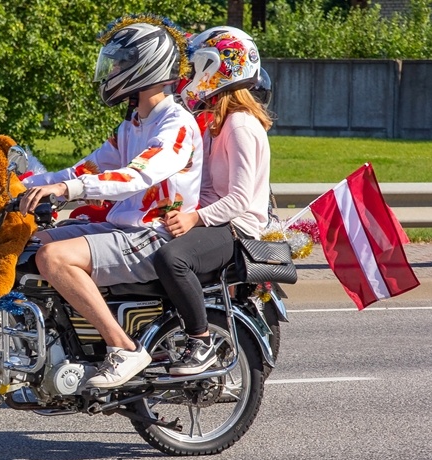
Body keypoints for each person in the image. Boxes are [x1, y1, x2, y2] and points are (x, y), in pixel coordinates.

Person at [19, 16, 203, 388]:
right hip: (122, 229)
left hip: (153, 234)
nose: (112, 71)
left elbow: (137, 176)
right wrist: (20, 184)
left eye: (119, 64)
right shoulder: (133, 124)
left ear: (146, 65)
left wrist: (68, 192)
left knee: (53, 258)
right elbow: (83, 168)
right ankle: (50, 343)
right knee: (28, 244)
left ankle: (123, 348)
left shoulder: (177, 124)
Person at [152, 26, 273, 376]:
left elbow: (238, 199)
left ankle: (200, 340)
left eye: (195, 67)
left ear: (218, 68)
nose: (189, 76)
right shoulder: (217, 124)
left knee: (171, 259)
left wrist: (193, 219)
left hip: (237, 228)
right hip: (216, 220)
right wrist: (177, 210)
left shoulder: (240, 125)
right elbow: (206, 187)